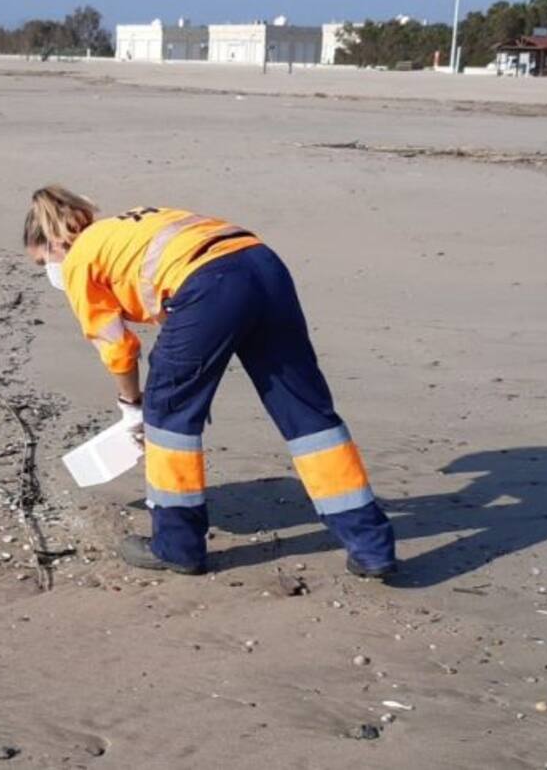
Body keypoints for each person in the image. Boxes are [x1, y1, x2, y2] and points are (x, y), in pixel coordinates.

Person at [22, 185, 397, 577]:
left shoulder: (81, 257)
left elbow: (115, 346)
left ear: (54, 243)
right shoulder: (129, 224)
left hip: (208, 283)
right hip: (262, 265)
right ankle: (371, 546)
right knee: (306, 412)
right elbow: (173, 291)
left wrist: (132, 408)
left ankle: (176, 546)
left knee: (167, 416)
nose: (49, 272)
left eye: (41, 263)